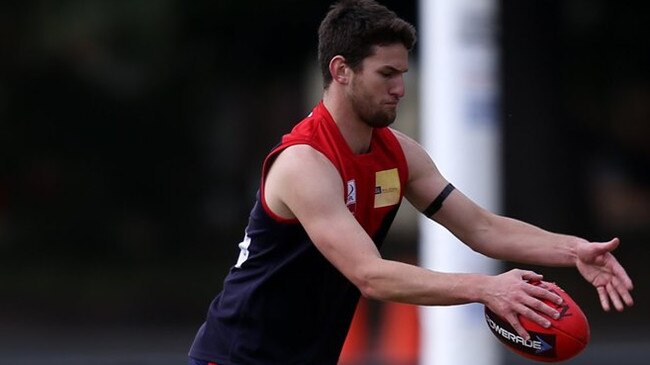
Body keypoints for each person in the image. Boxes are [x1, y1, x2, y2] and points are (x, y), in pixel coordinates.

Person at [188, 1, 634, 364]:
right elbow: (371, 276)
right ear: (341, 70)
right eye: (387, 74)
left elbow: (481, 228)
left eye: (402, 73)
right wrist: (486, 288)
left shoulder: (398, 153)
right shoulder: (305, 163)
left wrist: (574, 250)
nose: (401, 87)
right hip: (236, 358)